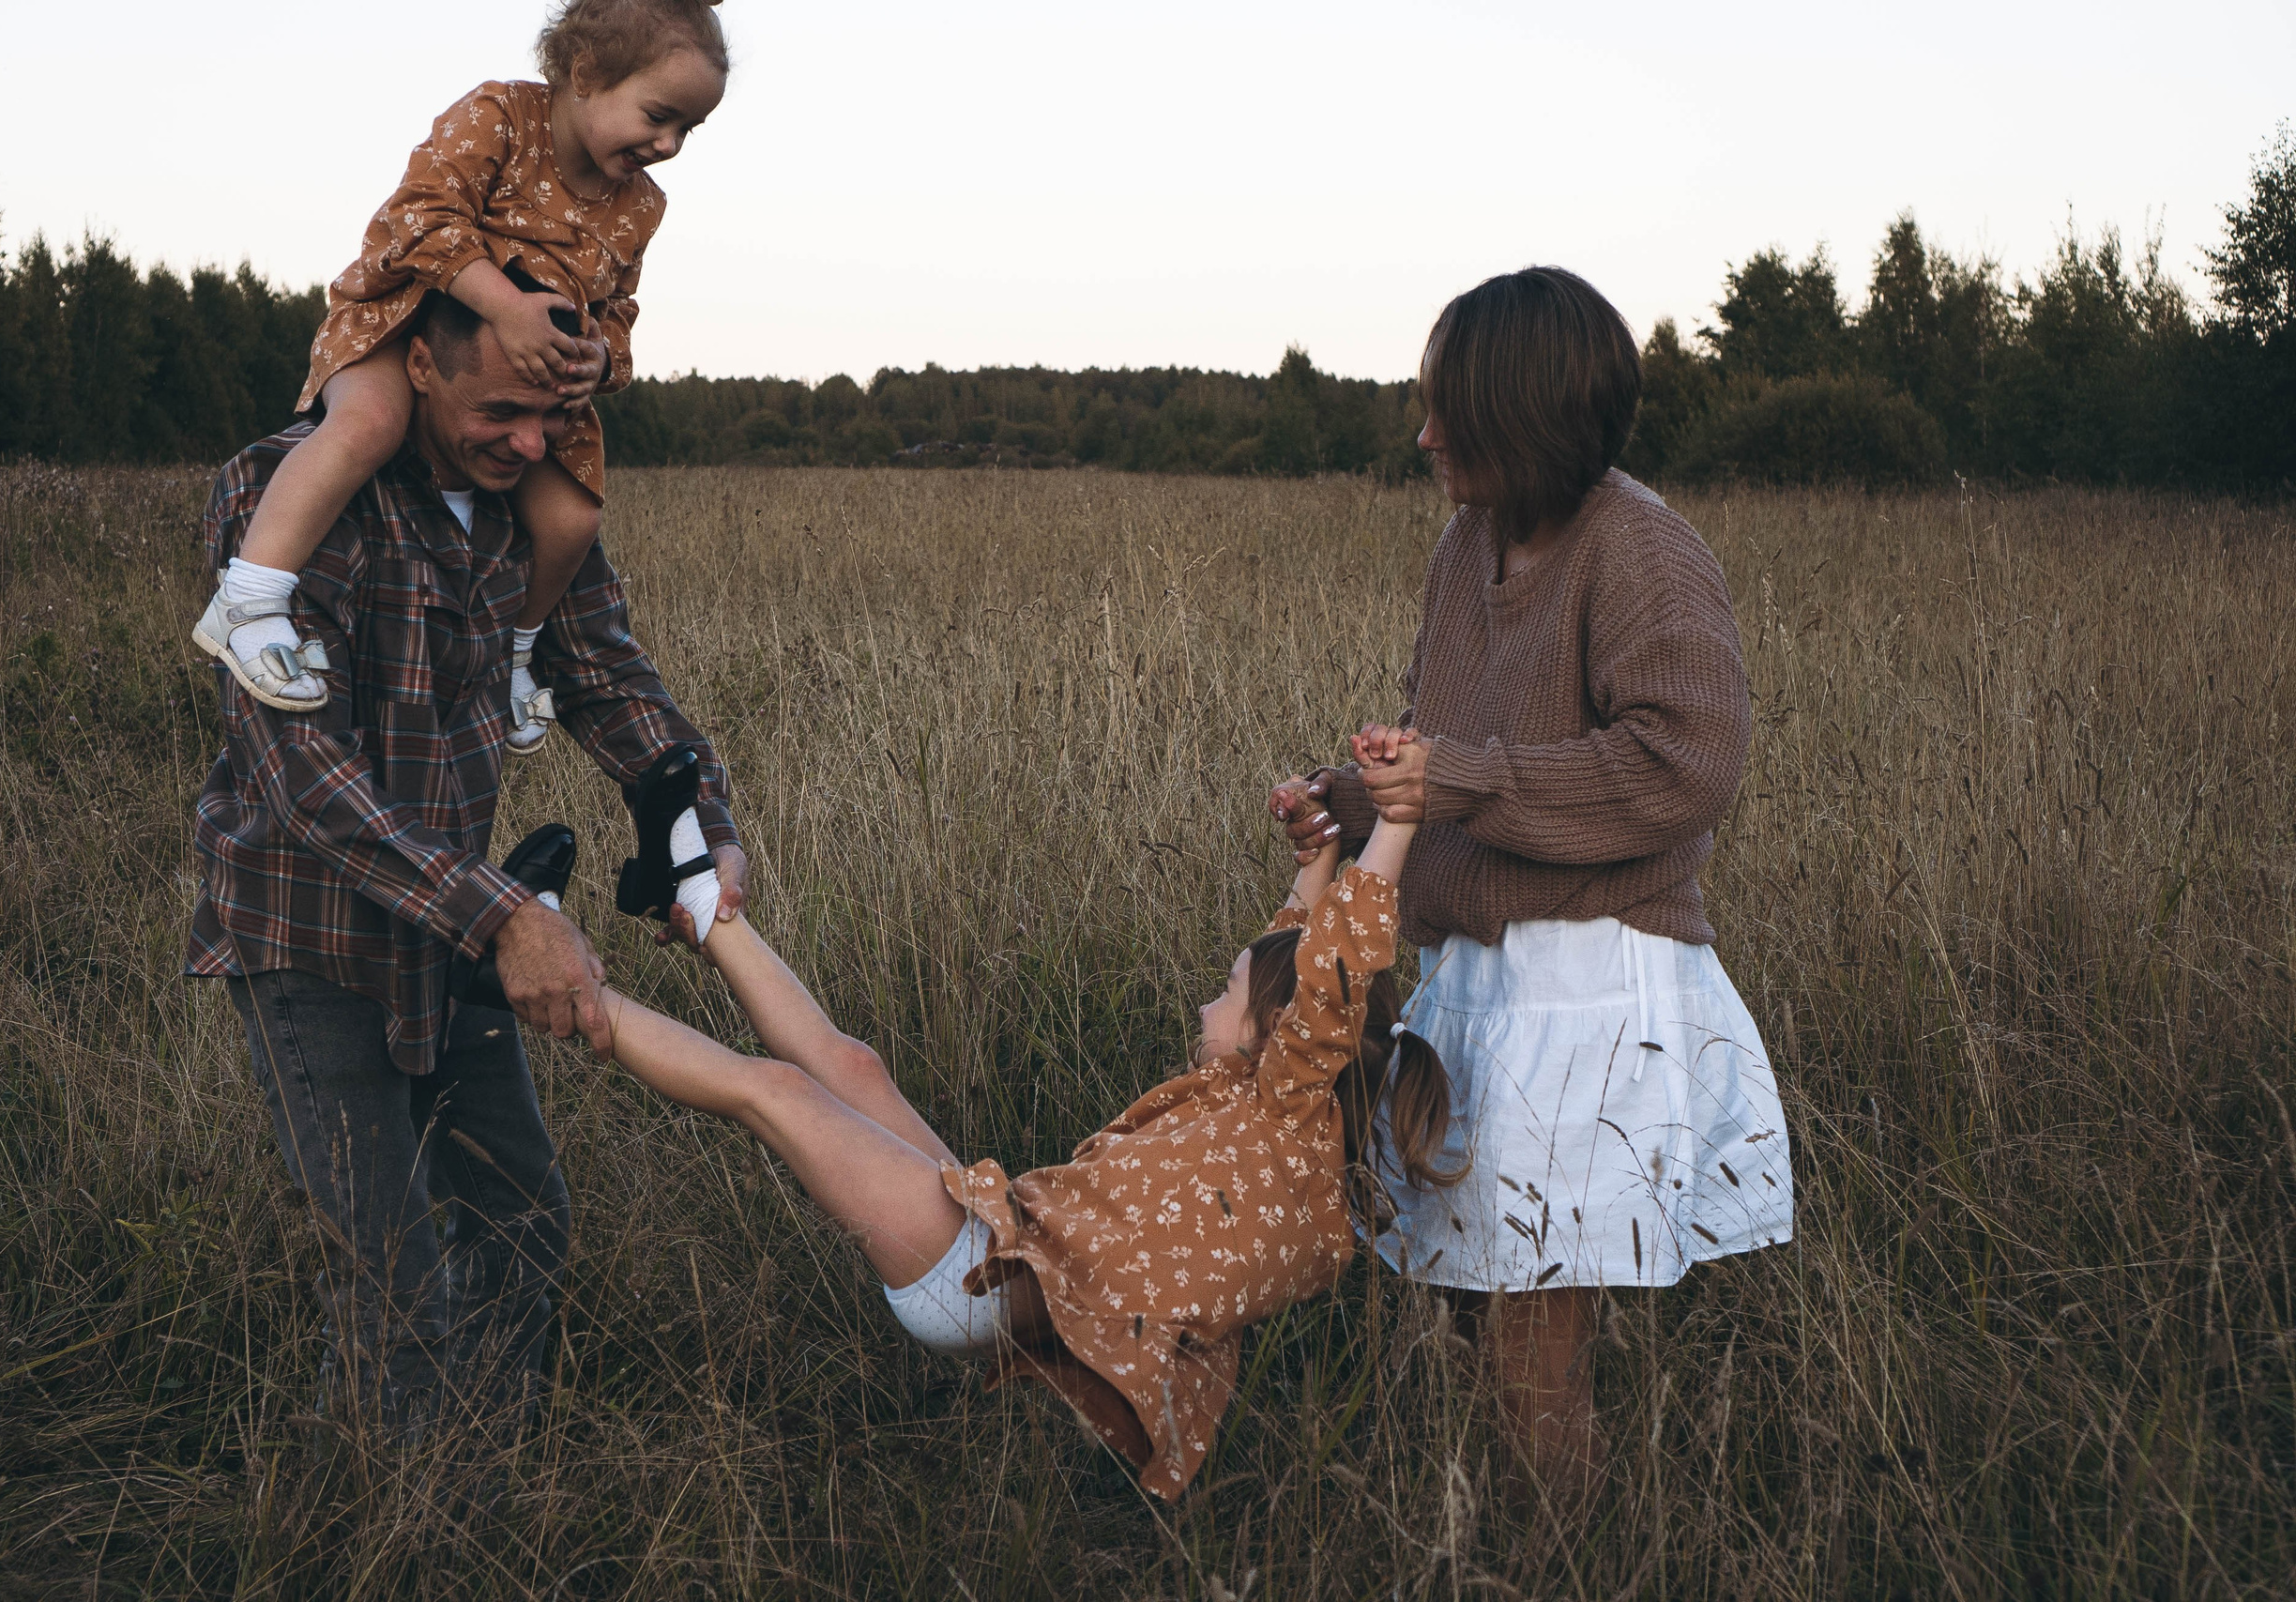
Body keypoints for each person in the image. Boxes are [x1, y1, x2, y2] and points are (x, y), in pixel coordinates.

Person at [186, 289, 747, 1449]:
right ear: (420, 367)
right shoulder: (287, 490)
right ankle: (388, 1516)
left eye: (552, 419)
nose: (530, 445)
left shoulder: (527, 508)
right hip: (310, 937)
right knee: (391, 1284)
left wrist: (694, 821)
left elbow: (608, 678)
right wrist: (504, 920)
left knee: (521, 1221)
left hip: (454, 934)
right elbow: (301, 770)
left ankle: (483, 1481)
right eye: (500, 412)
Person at [1273, 267, 1796, 1510]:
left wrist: (1460, 776)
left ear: (1521, 412)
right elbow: (1446, 761)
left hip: (1591, 988)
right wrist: (1347, 800)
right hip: (1481, 980)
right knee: (1471, 1310)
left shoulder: (1641, 547)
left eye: (1448, 408)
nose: (1425, 435)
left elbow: (1686, 765)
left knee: (1530, 1344)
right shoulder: (1469, 542)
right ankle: (1523, 1538)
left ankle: (1569, 1555)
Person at [586, 770, 1463, 1499]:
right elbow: (1299, 964)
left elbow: (1330, 975)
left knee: (774, 1091)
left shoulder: (1284, 1122)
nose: (1205, 1004)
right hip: (998, 1238)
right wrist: (1318, 858)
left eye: (1223, 994)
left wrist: (1396, 821)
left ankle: (572, 996)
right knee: (853, 1067)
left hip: (971, 1276)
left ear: (1272, 1034)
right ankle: (694, 894)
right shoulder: (1267, 1106)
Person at [192, 0, 731, 757]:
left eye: (688, 130)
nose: (668, 144)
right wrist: (505, 307)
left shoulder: (642, 205)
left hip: (532, 378)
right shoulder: (500, 117)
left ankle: (514, 652)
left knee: (572, 519)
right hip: (405, 319)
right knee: (370, 425)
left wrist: (601, 358)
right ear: (585, 74)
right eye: (658, 115)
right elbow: (420, 219)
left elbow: (618, 307)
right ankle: (249, 597)